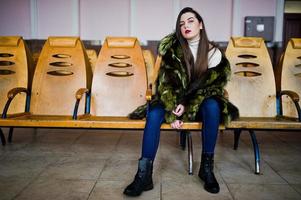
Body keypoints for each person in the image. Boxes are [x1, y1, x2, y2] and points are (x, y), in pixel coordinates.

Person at [123, 7, 238, 196]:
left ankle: (206, 168)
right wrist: (171, 112)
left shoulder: (214, 54)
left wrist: (186, 105)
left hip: (199, 102)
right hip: (172, 100)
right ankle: (144, 175)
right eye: (182, 23)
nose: (186, 25)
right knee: (154, 112)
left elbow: (210, 89)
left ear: (200, 25)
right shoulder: (172, 51)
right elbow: (165, 85)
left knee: (213, 105)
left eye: (191, 21)